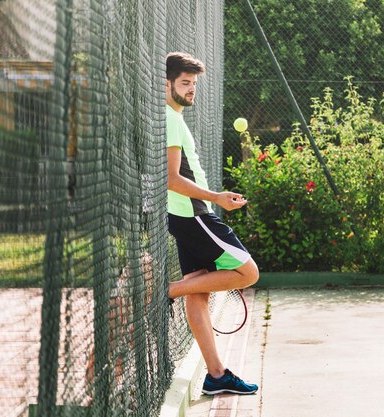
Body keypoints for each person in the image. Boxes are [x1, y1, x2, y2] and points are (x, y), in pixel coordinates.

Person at [165, 52, 259, 395]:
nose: (191, 90)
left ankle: (217, 375)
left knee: (199, 290)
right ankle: (168, 292)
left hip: (186, 216)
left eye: (193, 84)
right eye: (185, 83)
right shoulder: (170, 120)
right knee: (249, 273)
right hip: (193, 215)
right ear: (167, 84)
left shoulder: (173, 116)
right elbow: (172, 179)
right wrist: (217, 198)